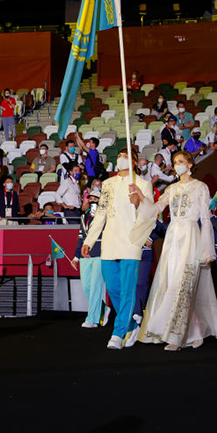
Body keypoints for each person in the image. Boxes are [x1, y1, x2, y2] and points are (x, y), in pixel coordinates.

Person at [135, 151, 217, 350]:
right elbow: (156, 208)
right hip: (173, 238)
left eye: (181, 161)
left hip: (191, 236)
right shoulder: (171, 189)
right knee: (173, 284)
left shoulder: (200, 187)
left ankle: (177, 336)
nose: (177, 165)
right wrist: (140, 196)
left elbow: (206, 219)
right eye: (175, 162)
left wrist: (207, 248)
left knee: (185, 285)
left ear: (190, 164)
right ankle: (196, 330)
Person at [80, 146, 158, 350]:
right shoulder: (108, 184)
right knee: (114, 287)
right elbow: (101, 214)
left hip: (132, 241)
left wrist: (139, 202)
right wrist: (89, 241)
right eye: (119, 156)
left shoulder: (143, 184)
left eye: (125, 157)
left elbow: (151, 215)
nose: (121, 159)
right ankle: (132, 324)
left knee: (128, 288)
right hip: (110, 241)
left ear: (133, 161)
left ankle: (118, 332)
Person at [75, 189, 108, 328]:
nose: (93, 200)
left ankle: (92, 319)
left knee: (95, 286)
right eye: (91, 198)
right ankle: (103, 309)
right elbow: (81, 237)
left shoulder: (106, 216)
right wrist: (76, 257)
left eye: (96, 198)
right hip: (85, 255)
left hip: (99, 252)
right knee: (86, 286)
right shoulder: (84, 217)